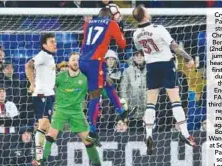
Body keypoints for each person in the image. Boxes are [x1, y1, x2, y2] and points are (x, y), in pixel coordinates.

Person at [132, 5, 196, 155]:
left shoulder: (136, 34)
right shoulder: (158, 28)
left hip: (151, 67)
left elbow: (140, 49)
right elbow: (174, 46)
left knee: (150, 102)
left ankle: (148, 133)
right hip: (166, 64)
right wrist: (188, 57)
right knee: (175, 100)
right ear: (145, 15)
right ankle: (185, 133)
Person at [39, 52, 111, 166]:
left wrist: (107, 90)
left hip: (77, 112)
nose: (75, 62)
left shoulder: (85, 78)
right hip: (60, 110)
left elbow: (98, 91)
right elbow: (47, 86)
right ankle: (41, 163)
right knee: (50, 135)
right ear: (68, 61)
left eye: (77, 60)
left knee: (88, 141)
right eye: (73, 60)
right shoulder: (60, 77)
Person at [79, 7, 135, 143]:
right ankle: (92, 130)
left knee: (108, 82)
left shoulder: (89, 23)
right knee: (95, 96)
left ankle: (121, 111)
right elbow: (122, 44)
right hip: (95, 62)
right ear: (110, 16)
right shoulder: (111, 24)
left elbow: (83, 42)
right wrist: (120, 27)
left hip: (83, 60)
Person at [25, 33, 57, 166]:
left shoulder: (49, 57)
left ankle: (40, 160)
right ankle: (38, 160)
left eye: (55, 41)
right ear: (44, 45)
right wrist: (32, 84)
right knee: (44, 125)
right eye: (51, 42)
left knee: (46, 127)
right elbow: (28, 65)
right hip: (42, 95)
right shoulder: (42, 55)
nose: (55, 44)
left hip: (48, 95)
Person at [119, 50, 146, 131]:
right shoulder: (128, 71)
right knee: (132, 133)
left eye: (141, 56)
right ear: (133, 58)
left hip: (147, 108)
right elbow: (123, 88)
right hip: (132, 108)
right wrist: (126, 105)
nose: (139, 58)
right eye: (137, 56)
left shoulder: (150, 69)